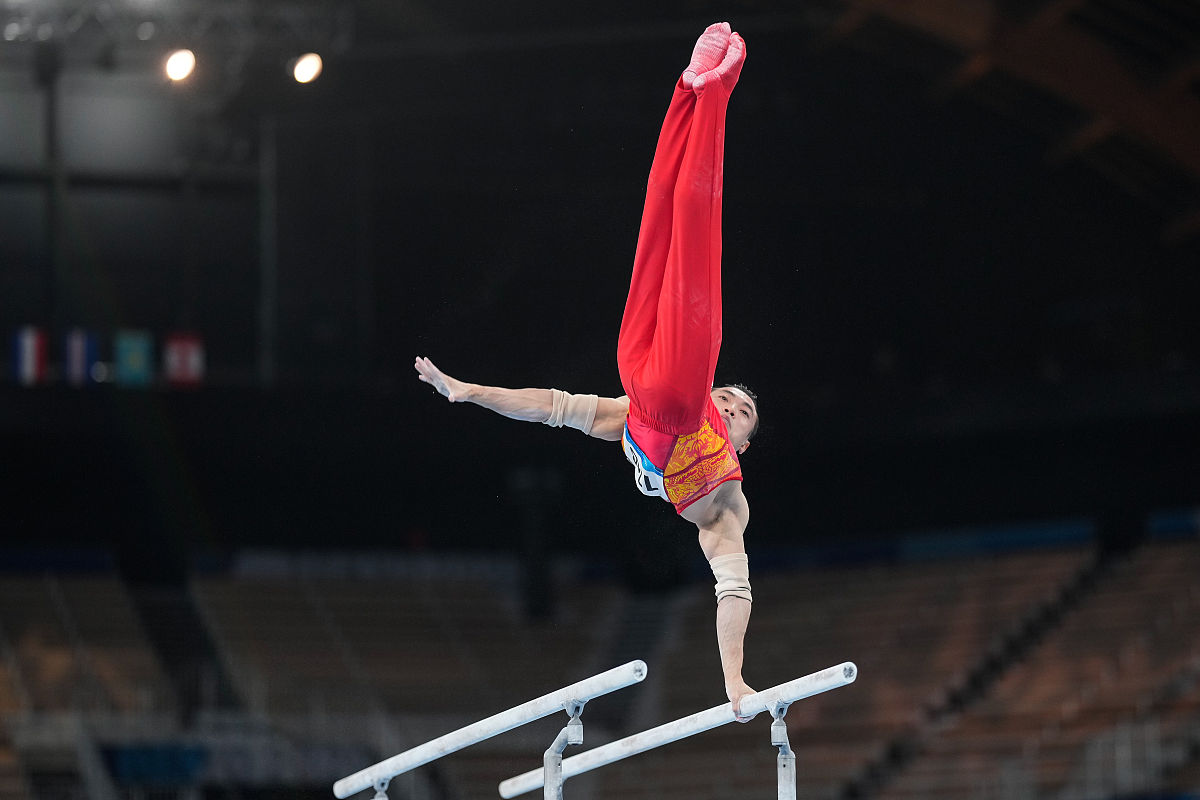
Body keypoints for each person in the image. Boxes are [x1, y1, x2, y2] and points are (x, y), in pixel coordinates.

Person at [414, 23, 758, 716]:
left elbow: (733, 593)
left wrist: (734, 680)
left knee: (675, 217)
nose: (733, 403)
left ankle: (708, 93)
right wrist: (471, 392)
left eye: (742, 411)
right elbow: (550, 402)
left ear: (742, 446)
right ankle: (694, 91)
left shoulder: (724, 503)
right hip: (665, 377)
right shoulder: (685, 404)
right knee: (673, 217)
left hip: (646, 376)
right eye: (735, 397)